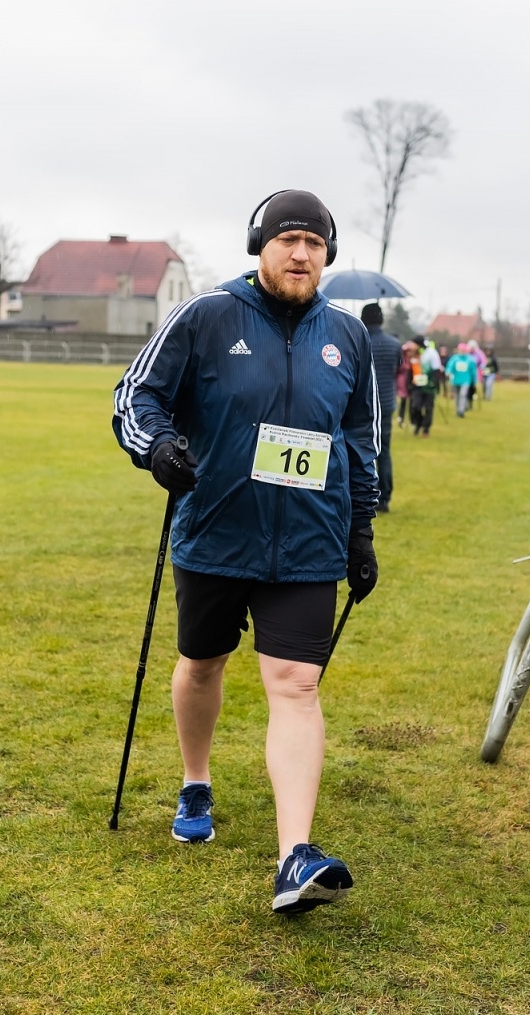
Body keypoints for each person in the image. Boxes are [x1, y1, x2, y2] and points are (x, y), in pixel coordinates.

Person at [111, 189, 381, 915]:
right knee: (202, 662)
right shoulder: (206, 317)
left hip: (309, 541)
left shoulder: (348, 339)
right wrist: (157, 448)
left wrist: (361, 531)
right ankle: (196, 780)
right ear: (260, 246)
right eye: (288, 239)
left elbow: (362, 442)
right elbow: (135, 397)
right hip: (216, 532)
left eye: (316, 244)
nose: (301, 254)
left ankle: (295, 856)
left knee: (297, 683)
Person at [361, 302, 401, 513]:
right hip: (385, 403)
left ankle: (365, 494)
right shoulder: (394, 344)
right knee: (384, 450)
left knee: (360, 451)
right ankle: (385, 496)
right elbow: (397, 371)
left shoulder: (359, 339)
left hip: (362, 405)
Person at [408, 335, 440, 436]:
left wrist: (434, 383)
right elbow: (410, 369)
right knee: (415, 407)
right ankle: (418, 423)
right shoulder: (413, 354)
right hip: (417, 384)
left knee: (428, 408)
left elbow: (436, 369)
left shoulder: (431, 353)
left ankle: (426, 428)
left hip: (429, 385)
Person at [447, 345, 478, 418]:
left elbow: (473, 372)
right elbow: (450, 366)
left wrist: (474, 381)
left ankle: (461, 410)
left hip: (466, 381)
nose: (462, 352)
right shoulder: (455, 358)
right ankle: (458, 410)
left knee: (463, 394)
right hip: (455, 380)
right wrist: (448, 372)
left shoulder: (470, 360)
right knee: (457, 396)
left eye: (464, 350)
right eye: (461, 350)